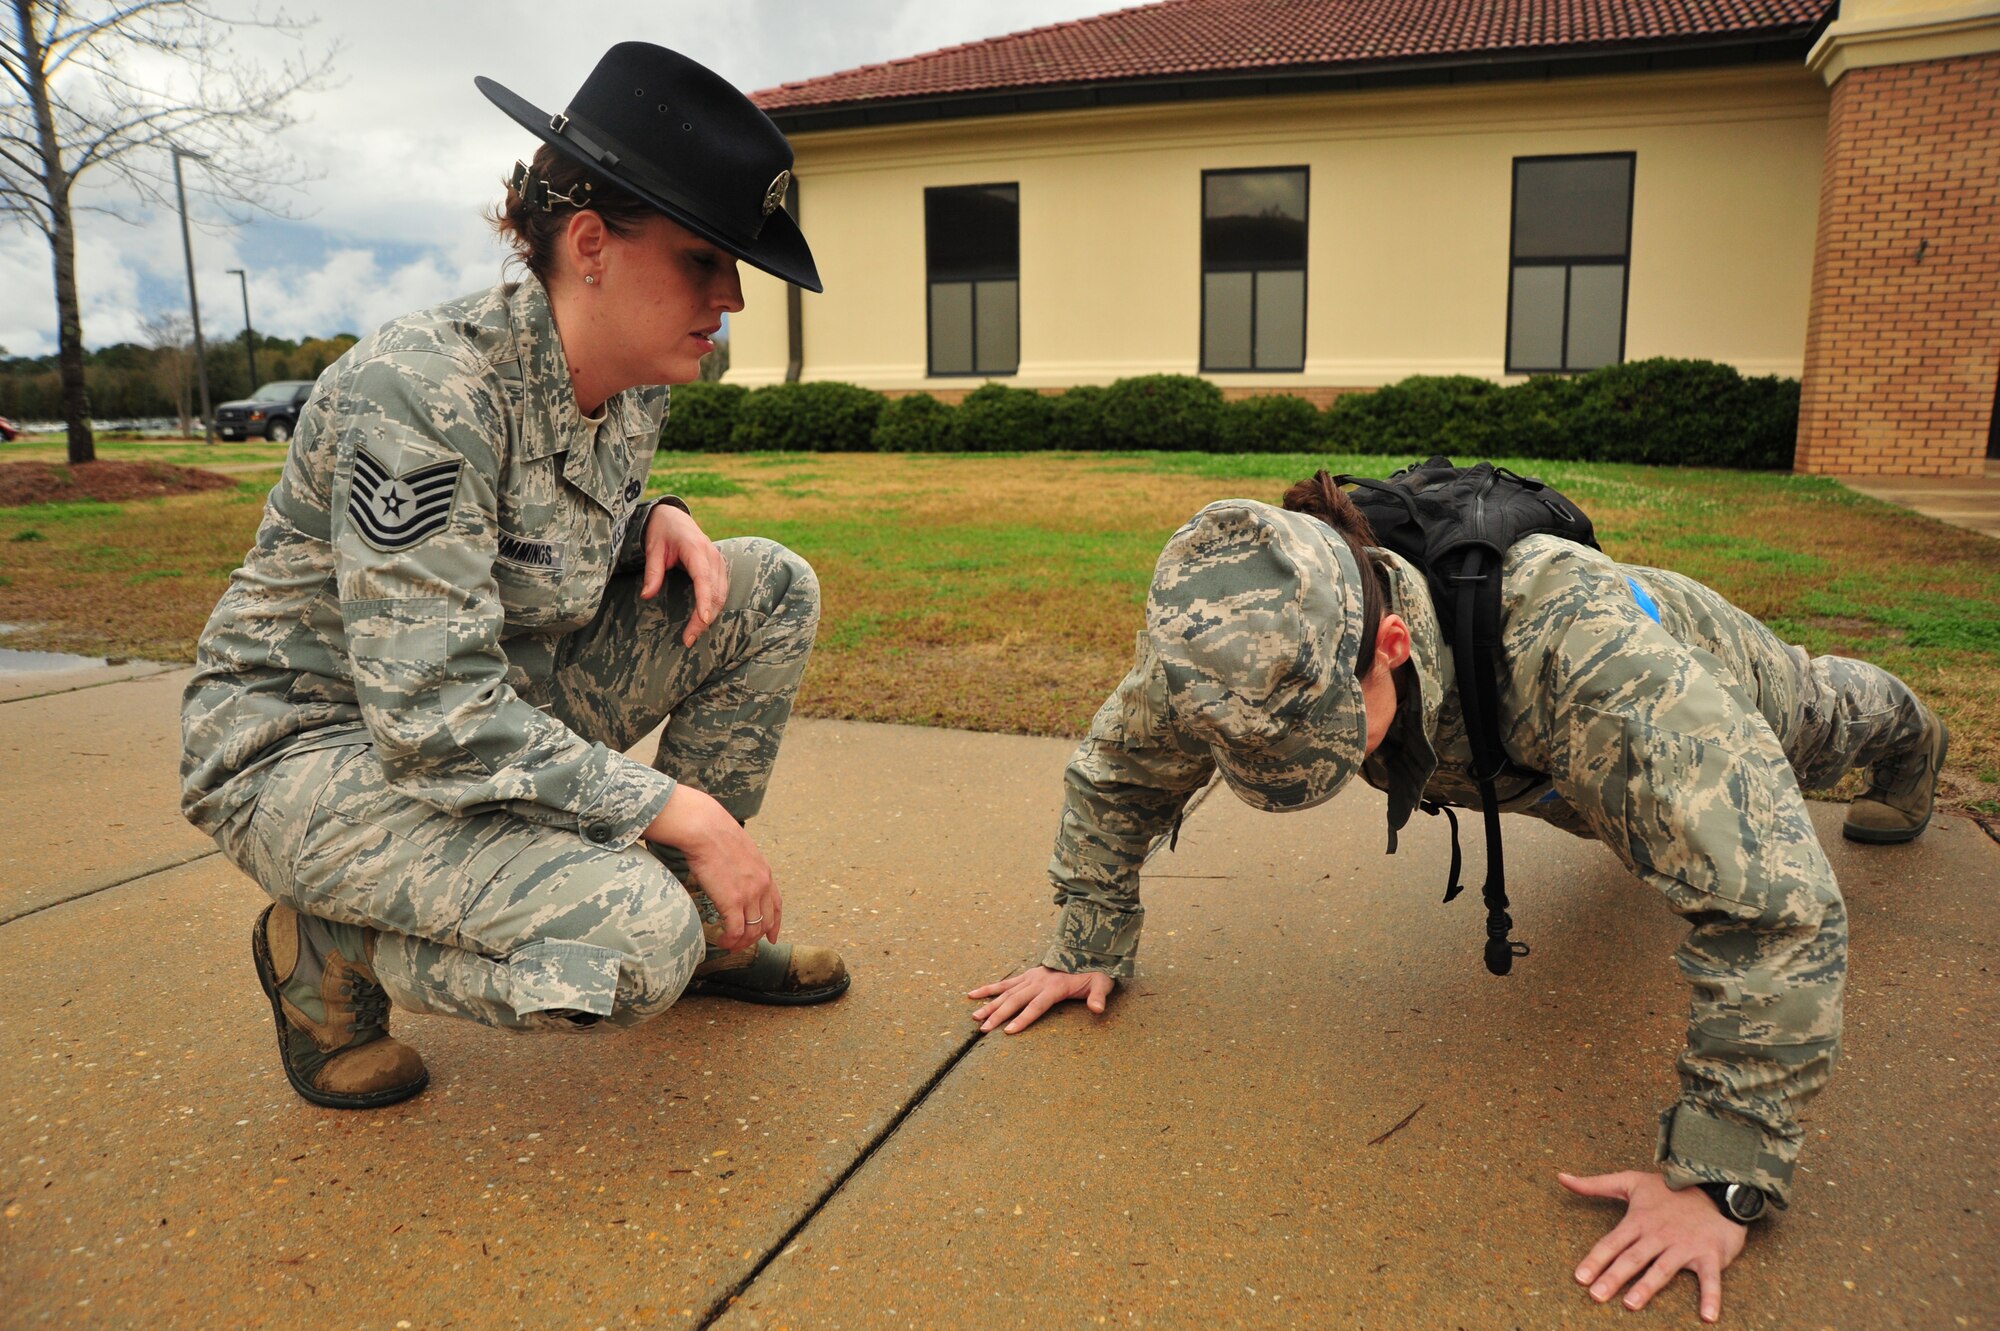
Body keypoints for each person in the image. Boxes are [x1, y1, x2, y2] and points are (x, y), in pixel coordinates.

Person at [968, 475, 1947, 1324]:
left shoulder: (1601, 673)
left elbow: (1775, 910)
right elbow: (1116, 772)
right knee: (1633, 813)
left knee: (1826, 721)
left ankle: (1918, 747)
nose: (1280, 766)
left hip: (1686, 663)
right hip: (1535, 757)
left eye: (1314, 736)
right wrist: (1085, 938)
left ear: (1388, 640)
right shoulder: (1229, 649)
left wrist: (1722, 1175)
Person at [181, 42, 848, 1114]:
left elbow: (527, 518)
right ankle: (328, 941)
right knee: (631, 946)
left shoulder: (628, 382)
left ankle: (705, 930)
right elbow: (432, 713)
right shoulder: (421, 391)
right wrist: (681, 810)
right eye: (703, 259)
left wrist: (651, 517)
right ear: (591, 243)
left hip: (472, 702)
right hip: (310, 747)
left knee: (765, 588)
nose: (730, 297)